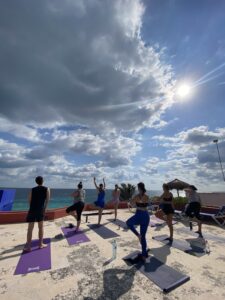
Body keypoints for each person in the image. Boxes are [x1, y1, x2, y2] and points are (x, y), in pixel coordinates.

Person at [24, 176, 50, 252]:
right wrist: (44, 209)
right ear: (43, 181)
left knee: (30, 229)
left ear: (36, 182)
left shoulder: (32, 189)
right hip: (40, 210)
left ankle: (29, 247)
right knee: (41, 228)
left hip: (32, 209)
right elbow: (47, 201)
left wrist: (31, 208)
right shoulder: (47, 189)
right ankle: (40, 244)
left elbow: (29, 200)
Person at [126, 182, 150, 261]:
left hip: (143, 216)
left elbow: (138, 206)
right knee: (129, 223)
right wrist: (132, 202)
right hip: (141, 215)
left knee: (143, 236)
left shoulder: (143, 196)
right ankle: (138, 236)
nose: (138, 189)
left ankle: (144, 254)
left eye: (138, 188)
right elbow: (132, 205)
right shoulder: (140, 196)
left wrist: (133, 202)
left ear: (140, 188)